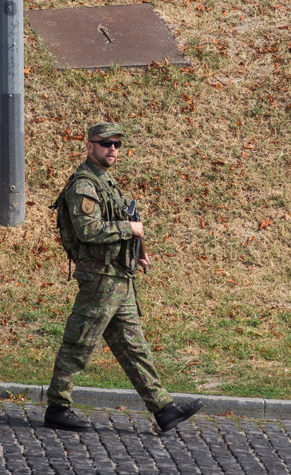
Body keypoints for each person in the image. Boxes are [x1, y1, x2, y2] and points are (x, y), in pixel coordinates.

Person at [44, 122, 204, 433]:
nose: (113, 149)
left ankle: (163, 409)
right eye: (106, 143)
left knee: (134, 347)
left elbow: (117, 221)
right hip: (100, 280)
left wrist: (136, 249)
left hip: (119, 277)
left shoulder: (106, 182)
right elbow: (88, 230)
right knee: (78, 344)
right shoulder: (84, 185)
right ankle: (57, 407)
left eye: (117, 143)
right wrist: (128, 230)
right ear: (90, 146)